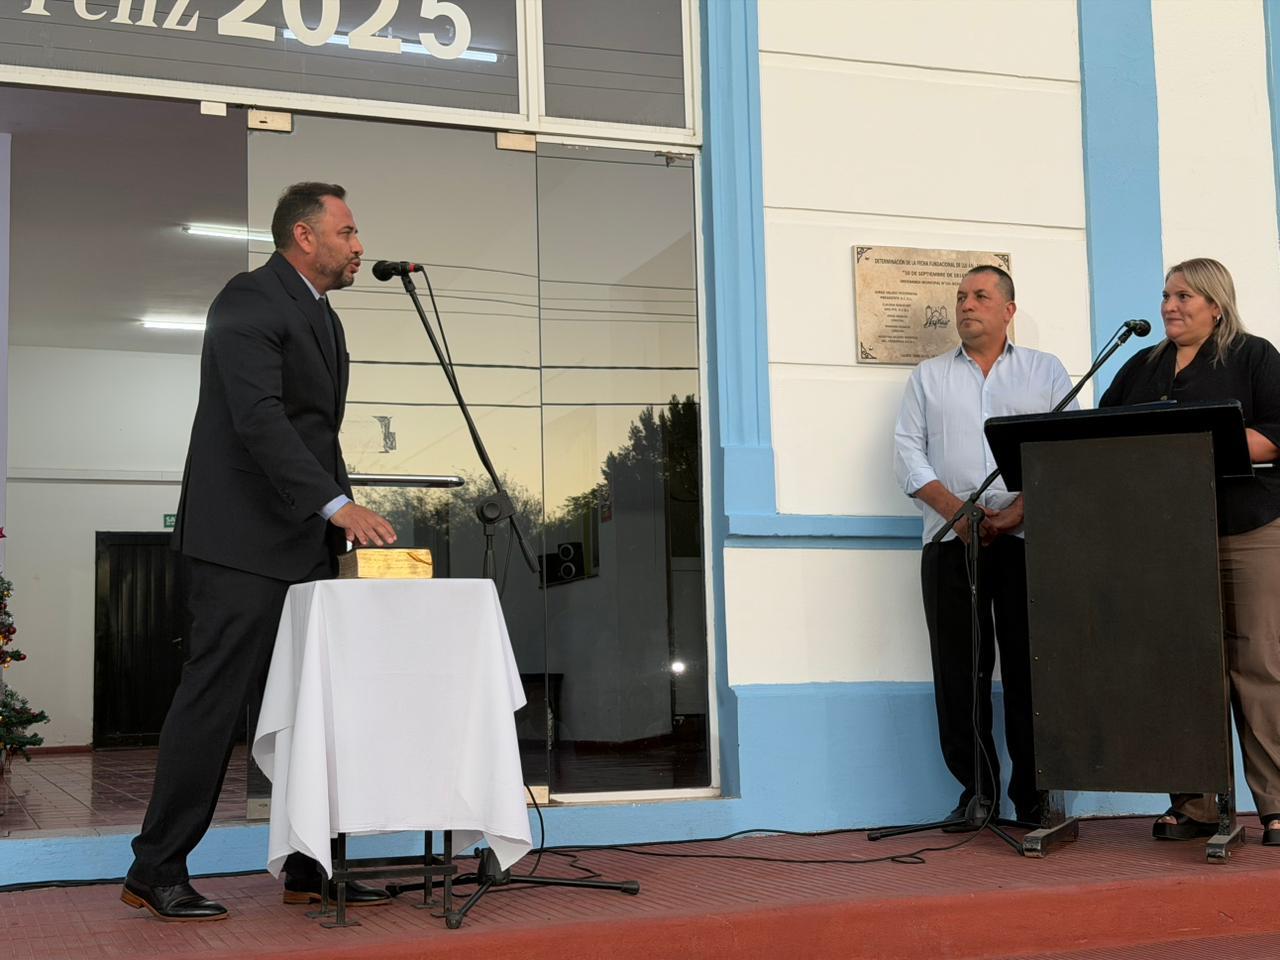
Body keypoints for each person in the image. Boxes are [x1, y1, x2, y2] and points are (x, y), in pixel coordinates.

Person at [122, 183, 399, 921]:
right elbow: (259, 419)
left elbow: (316, 436)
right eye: (347, 231)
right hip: (240, 544)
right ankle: (155, 868)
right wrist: (337, 504)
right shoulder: (248, 299)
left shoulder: (324, 318)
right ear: (304, 237)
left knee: (313, 710)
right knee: (213, 703)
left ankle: (311, 867)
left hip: (301, 545)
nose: (358, 246)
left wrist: (335, 517)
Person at [1099, 257, 1280, 847]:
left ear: (1215, 306)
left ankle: (1276, 804)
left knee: (1258, 665)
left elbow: (1276, 434)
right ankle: (1195, 804)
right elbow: (1104, 436)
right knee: (1181, 668)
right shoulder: (1141, 366)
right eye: (1166, 296)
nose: (1169, 306)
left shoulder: (1253, 356)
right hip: (1168, 540)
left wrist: (1198, 445)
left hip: (1248, 529)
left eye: (1183, 296)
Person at [893, 265, 1075, 828]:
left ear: (1008, 310)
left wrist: (1017, 512)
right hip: (950, 543)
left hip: (1025, 542)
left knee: (1031, 670)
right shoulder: (928, 377)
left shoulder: (1045, 371)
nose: (966, 305)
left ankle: (1034, 797)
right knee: (959, 672)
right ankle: (978, 793)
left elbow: (1063, 451)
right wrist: (958, 512)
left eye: (979, 296)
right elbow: (907, 454)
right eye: (960, 297)